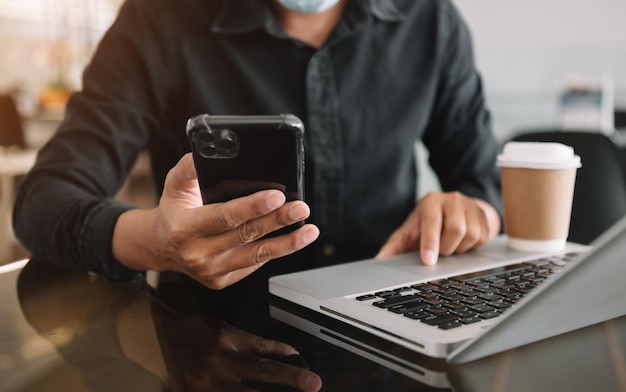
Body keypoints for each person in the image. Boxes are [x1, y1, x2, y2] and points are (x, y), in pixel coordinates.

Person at [13, 0, 502, 319]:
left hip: (396, 328)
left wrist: (472, 213)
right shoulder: (158, 19)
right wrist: (156, 242)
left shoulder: (430, 20)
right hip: (212, 342)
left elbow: (482, 182)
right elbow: (43, 201)